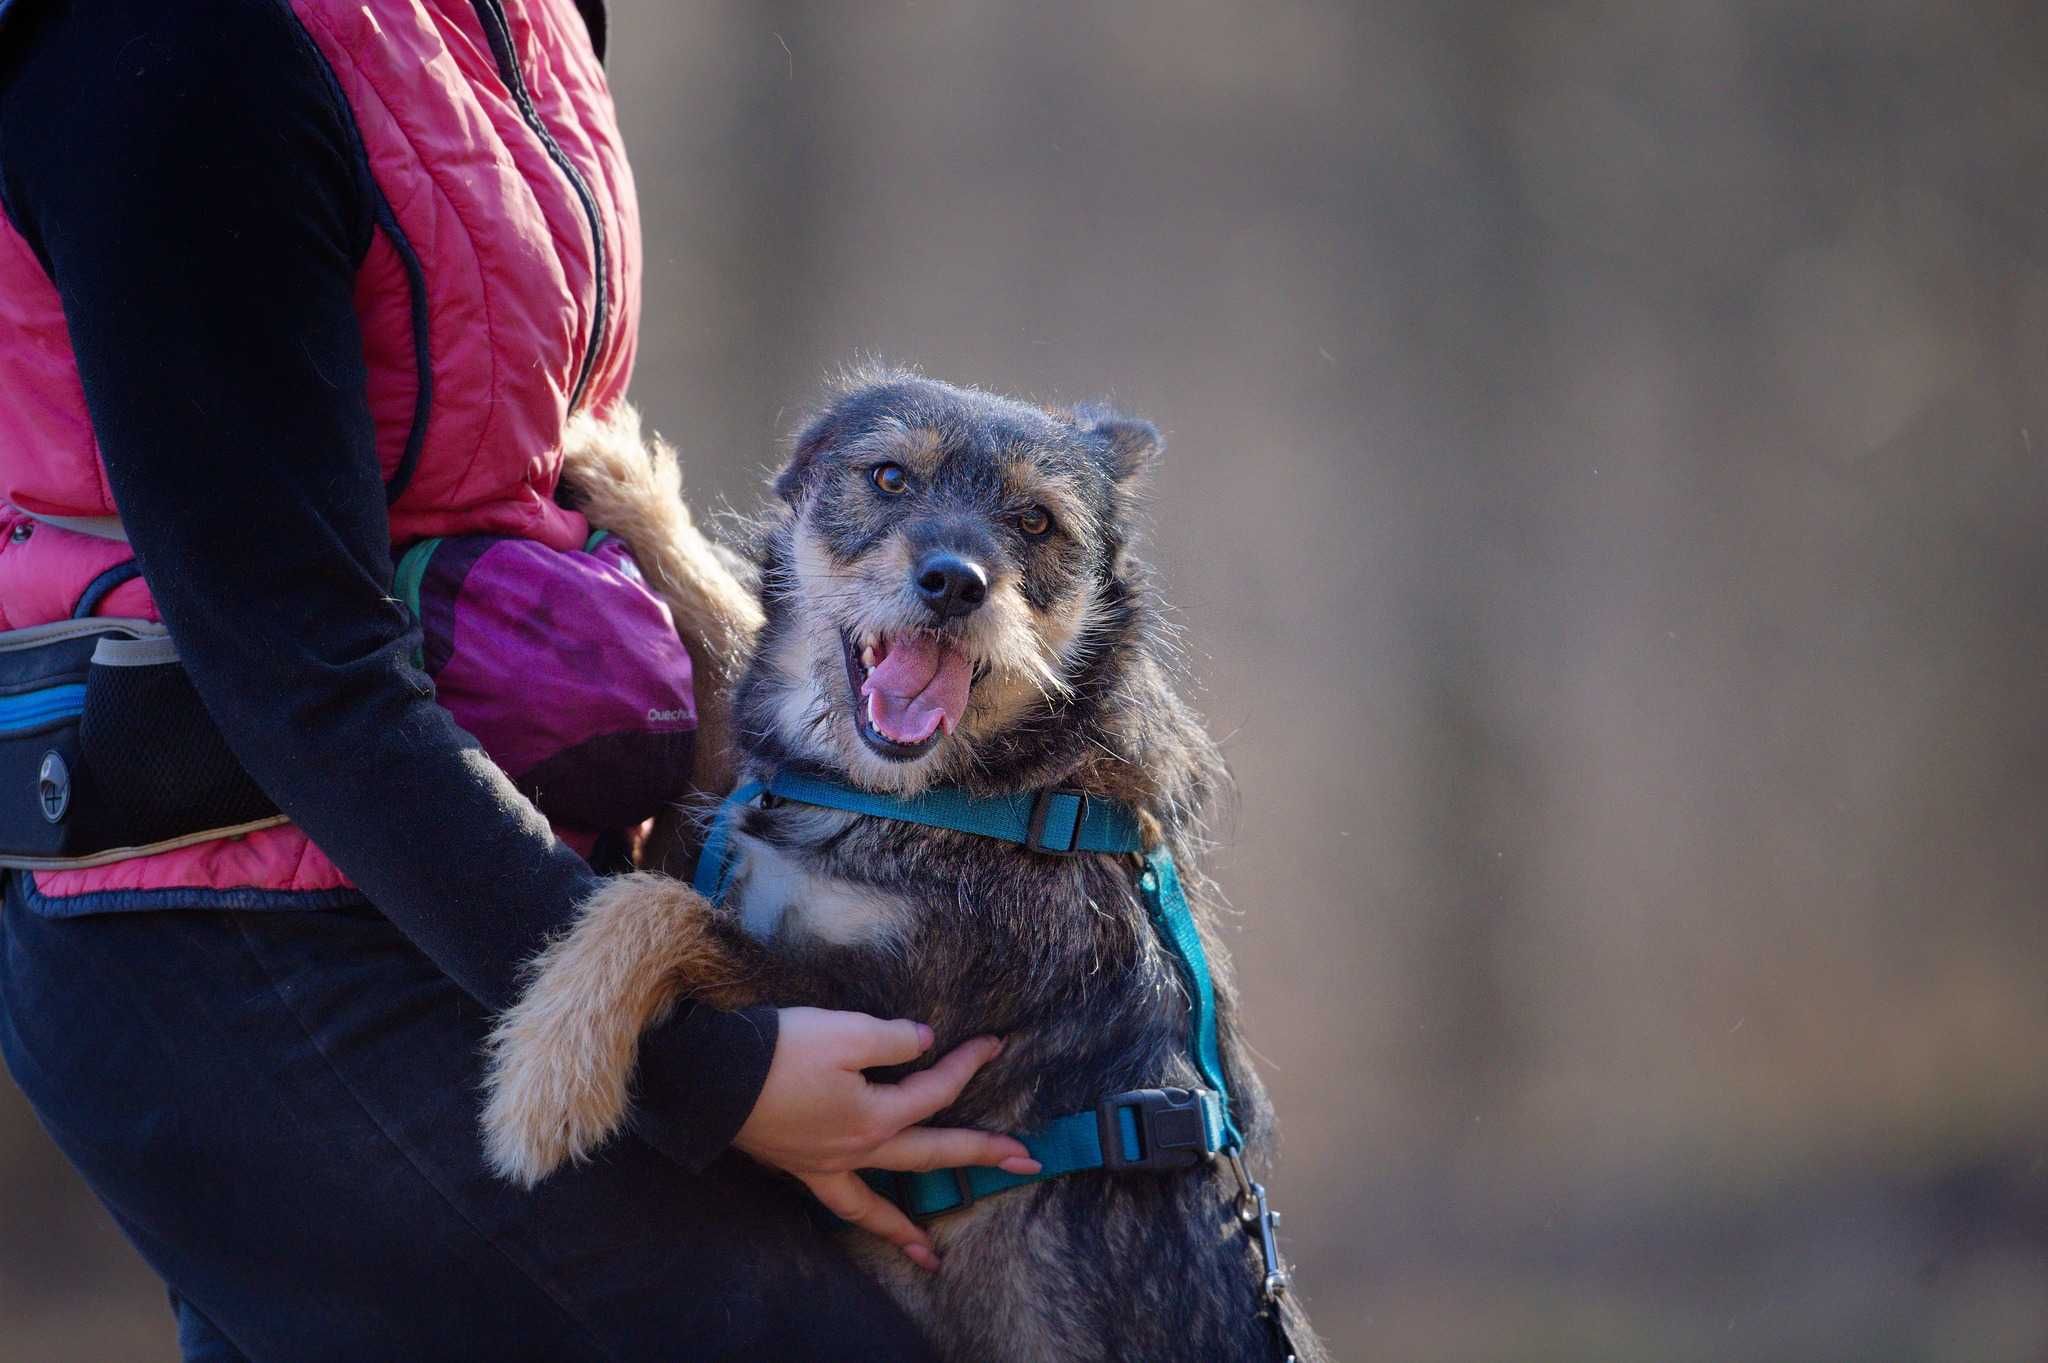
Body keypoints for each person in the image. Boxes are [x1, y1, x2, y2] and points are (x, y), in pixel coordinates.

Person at [0, 2, 1025, 1358]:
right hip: (238, 938)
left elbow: (531, 467)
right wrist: (705, 1074)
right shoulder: (180, 56)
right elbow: (300, 672)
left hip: (482, 895)